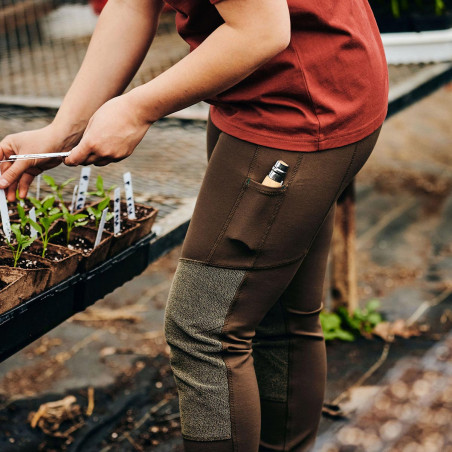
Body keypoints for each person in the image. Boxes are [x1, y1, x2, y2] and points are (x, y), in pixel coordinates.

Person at [0, 0, 388, 450]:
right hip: (262, 90)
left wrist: (137, 108)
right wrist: (64, 129)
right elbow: (132, 5)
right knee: (277, 312)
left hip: (302, 103)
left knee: (205, 328)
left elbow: (261, 30)